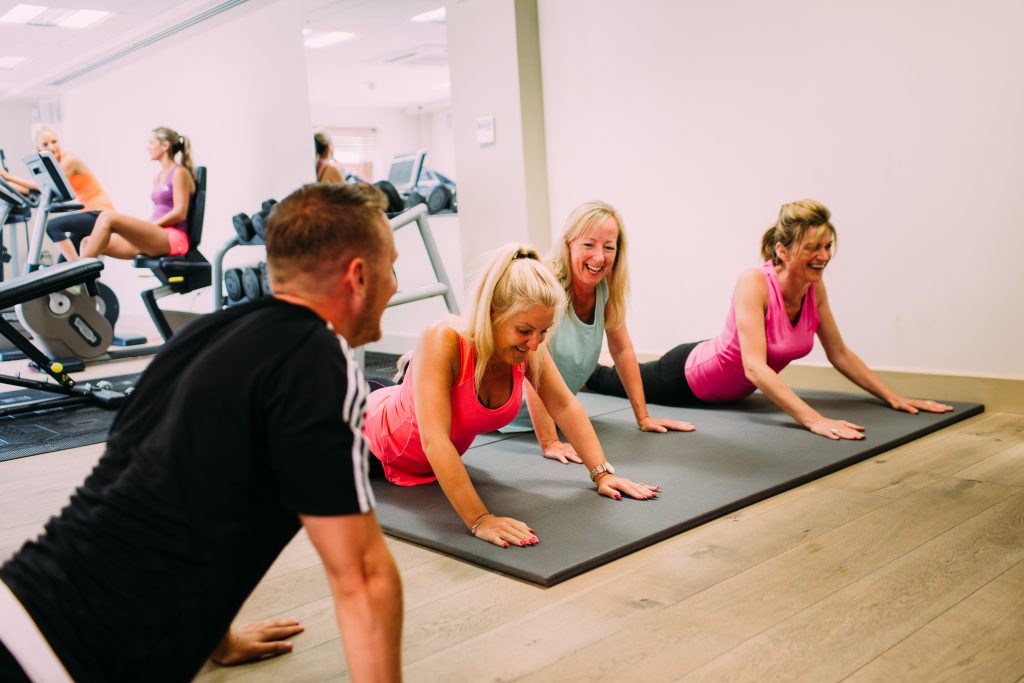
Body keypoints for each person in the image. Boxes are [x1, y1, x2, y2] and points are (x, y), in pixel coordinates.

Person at [0, 183, 404, 682]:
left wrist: (221, 638)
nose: (396, 283)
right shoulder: (316, 358)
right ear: (359, 276)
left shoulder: (199, 335)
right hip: (62, 662)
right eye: (392, 265)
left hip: (18, 600)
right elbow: (363, 576)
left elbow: (163, 481)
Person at [362, 244, 659, 549]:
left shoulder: (527, 348)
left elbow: (564, 404)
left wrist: (602, 475)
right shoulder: (443, 339)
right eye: (525, 331)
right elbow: (433, 439)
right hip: (368, 438)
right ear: (492, 312)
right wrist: (479, 519)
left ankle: (406, 378)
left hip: (413, 436)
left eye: (543, 333)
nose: (534, 344)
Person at [588, 198, 953, 440]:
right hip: (688, 375)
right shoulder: (754, 282)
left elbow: (838, 353)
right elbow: (755, 369)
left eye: (828, 246)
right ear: (783, 249)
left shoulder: (814, 287)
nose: (823, 256)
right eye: (813, 247)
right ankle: (576, 364)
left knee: (614, 374)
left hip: (727, 388)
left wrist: (893, 397)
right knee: (607, 380)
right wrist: (814, 419)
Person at [500, 201, 694, 464]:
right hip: (508, 414)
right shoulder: (547, 285)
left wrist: (643, 416)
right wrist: (549, 441)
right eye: (588, 245)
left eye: (608, 247)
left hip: (557, 416)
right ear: (569, 243)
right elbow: (531, 360)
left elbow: (622, 350)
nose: (599, 257)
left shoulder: (605, 289)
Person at [0, 124, 117, 261]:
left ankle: (79, 269)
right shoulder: (53, 165)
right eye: (45, 144)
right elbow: (35, 189)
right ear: (38, 148)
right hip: (88, 212)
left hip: (100, 212)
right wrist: (7, 184)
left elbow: (42, 187)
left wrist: (7, 177)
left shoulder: (69, 161)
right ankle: (80, 275)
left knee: (53, 226)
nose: (51, 147)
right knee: (61, 264)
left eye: (54, 142)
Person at [79, 126, 195, 260]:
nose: (148, 147)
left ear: (165, 146)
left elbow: (180, 213)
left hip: (173, 237)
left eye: (151, 143)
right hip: (156, 232)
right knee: (87, 242)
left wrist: (151, 225)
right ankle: (84, 280)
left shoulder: (179, 172)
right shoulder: (158, 177)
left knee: (108, 217)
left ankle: (75, 274)